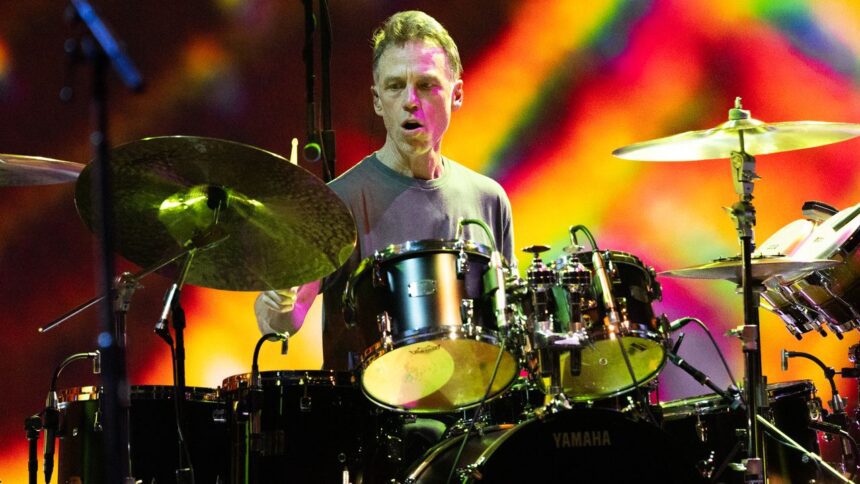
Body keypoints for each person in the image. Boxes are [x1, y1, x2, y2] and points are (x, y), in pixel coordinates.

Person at [255, 10, 515, 371]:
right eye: (395, 86)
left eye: (426, 84)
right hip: (367, 404)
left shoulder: (489, 199)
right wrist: (277, 304)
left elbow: (506, 326)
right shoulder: (336, 203)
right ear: (377, 101)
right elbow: (284, 319)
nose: (410, 100)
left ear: (456, 94)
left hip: (472, 400)